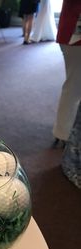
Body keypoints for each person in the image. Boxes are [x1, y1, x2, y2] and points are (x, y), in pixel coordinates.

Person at [52, 0, 81, 144]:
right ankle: (63, 133)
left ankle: (65, 131)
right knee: (74, 87)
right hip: (75, 36)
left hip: (73, 34)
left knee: (74, 86)